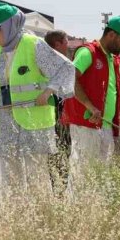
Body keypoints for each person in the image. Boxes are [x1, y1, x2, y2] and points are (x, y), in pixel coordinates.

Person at [0, 3, 74, 191]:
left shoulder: (34, 44)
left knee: (36, 179)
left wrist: (49, 91)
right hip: (6, 124)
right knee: (11, 182)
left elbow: (66, 68)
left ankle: (41, 219)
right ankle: (18, 218)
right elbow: (0, 89)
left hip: (34, 122)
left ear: (11, 25)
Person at [62, 16, 120, 180]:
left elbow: (117, 96)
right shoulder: (88, 52)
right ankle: (80, 206)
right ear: (111, 35)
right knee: (84, 174)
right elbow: (70, 77)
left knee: (101, 176)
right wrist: (89, 106)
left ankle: (95, 206)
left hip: (106, 127)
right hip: (87, 125)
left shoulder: (113, 60)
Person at [44, 29, 73, 191]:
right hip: (56, 120)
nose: (68, 45)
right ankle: (58, 192)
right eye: (66, 41)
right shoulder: (57, 65)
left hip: (57, 119)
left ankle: (58, 190)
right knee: (59, 158)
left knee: (59, 159)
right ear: (58, 44)